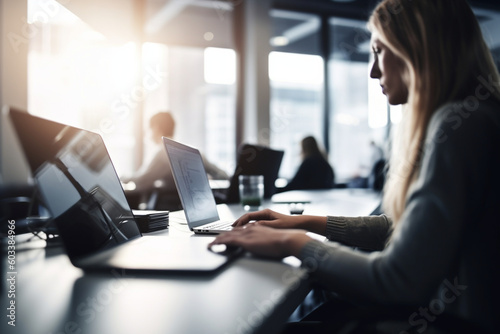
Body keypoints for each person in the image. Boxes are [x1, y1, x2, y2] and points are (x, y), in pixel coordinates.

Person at [209, 1, 500, 333]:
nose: (373, 71)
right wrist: (302, 222)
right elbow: (400, 230)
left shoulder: (460, 126)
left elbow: (398, 280)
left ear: (416, 49)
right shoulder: (477, 116)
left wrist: (293, 242)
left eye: (379, 51)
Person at [122, 112, 229, 204]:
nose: (148, 135)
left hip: (168, 210)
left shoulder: (163, 152)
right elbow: (223, 175)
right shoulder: (192, 151)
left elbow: (143, 180)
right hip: (195, 207)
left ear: (156, 128)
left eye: (149, 130)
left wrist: (122, 178)